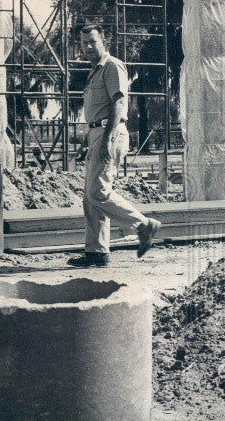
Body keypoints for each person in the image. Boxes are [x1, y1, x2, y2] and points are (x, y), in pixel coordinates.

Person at [67, 24, 160, 267]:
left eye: (92, 42)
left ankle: (143, 225)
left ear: (103, 42)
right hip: (97, 132)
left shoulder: (112, 66)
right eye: (83, 42)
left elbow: (119, 104)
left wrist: (106, 138)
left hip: (110, 131)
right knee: (90, 196)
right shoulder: (94, 71)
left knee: (98, 192)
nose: (87, 47)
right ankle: (97, 252)